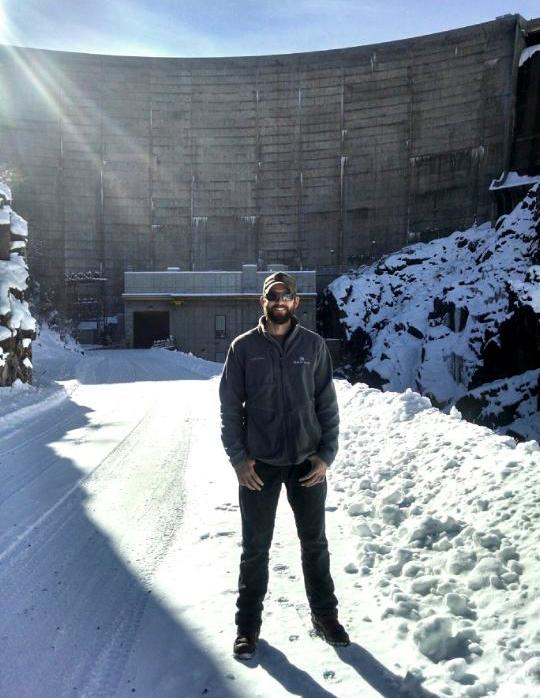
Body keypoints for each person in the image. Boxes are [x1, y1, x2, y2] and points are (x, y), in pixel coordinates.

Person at [219, 271, 350, 660]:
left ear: (296, 302)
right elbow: (229, 409)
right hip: (259, 467)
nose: (279, 300)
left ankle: (325, 617)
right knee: (255, 549)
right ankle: (248, 627)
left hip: (306, 463)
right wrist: (239, 460)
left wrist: (326, 455)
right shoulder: (243, 348)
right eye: (272, 295)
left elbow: (327, 403)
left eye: (286, 295)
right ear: (264, 301)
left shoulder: (313, 346)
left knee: (315, 544)